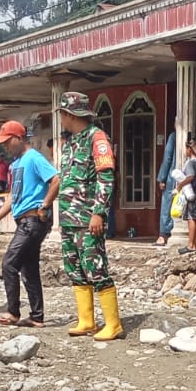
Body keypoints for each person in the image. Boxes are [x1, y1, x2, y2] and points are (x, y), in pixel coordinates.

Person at [56, 91, 122, 341]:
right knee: (74, 268)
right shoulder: (71, 142)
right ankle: (86, 320)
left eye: (62, 113)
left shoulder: (97, 138)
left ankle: (113, 324)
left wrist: (99, 214)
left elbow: (106, 178)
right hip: (69, 218)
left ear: (69, 114)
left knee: (95, 268)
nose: (61, 118)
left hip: (87, 218)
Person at [0, 120, 58, 328]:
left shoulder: (34, 158)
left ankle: (13, 312)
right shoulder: (16, 165)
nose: (6, 147)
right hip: (24, 221)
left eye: (8, 142)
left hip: (33, 220)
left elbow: (55, 180)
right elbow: (13, 198)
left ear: (18, 138)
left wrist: (45, 205)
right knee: (29, 267)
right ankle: (37, 316)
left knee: (9, 263)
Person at [176, 134, 196, 252]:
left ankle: (190, 245)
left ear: (190, 149)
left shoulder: (191, 163)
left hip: (191, 192)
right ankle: (195, 244)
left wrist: (181, 184)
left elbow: (190, 177)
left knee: (191, 218)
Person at [154, 128, 177, 247]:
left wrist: (162, 178)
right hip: (188, 175)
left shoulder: (174, 136)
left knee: (167, 205)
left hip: (172, 177)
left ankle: (163, 235)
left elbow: (167, 158)